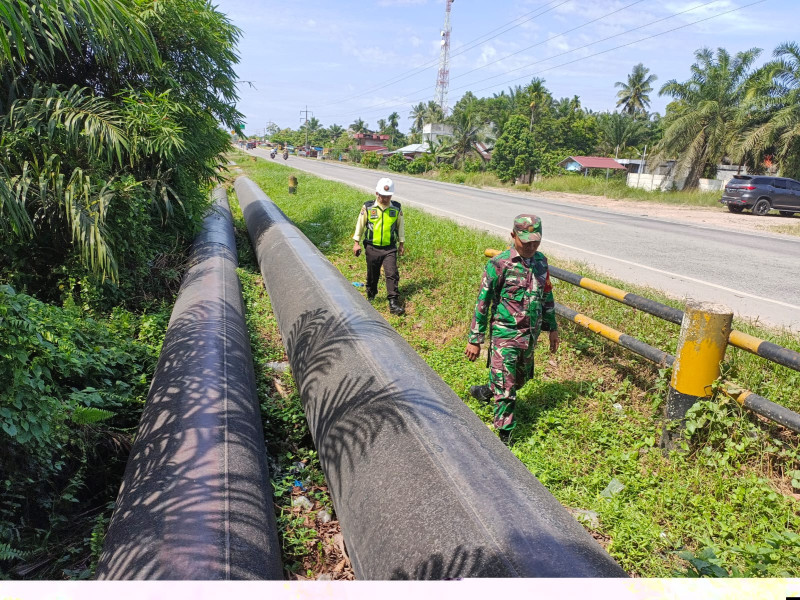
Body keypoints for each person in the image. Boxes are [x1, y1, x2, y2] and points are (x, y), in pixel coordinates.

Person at [464, 214, 560, 435]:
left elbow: (546, 295)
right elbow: (483, 302)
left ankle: (487, 391)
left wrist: (552, 328)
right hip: (504, 333)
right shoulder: (499, 264)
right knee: (507, 391)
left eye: (536, 241)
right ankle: (504, 436)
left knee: (520, 379)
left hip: (529, 335)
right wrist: (475, 340)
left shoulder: (541, 262)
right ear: (513, 235)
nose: (531, 246)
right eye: (526, 241)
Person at [352, 177, 406, 315]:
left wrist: (401, 244)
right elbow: (360, 224)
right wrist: (356, 243)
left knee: (392, 273)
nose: (385, 198)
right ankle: (371, 295)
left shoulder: (396, 208)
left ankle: (393, 302)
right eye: (383, 195)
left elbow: (400, 227)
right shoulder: (368, 207)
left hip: (389, 248)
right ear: (377, 193)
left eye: (388, 196)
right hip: (372, 247)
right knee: (372, 274)